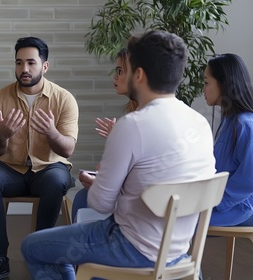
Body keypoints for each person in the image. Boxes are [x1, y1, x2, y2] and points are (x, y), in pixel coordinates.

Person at [21, 30, 216, 279]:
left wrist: (99, 184)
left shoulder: (133, 125)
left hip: (131, 247)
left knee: (33, 246)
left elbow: (100, 203)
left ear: (139, 74)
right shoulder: (199, 122)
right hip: (179, 248)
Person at [0, 36, 79, 280]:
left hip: (50, 168)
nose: (24, 69)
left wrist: (52, 133)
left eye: (31, 63)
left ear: (44, 66)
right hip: (11, 169)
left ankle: (40, 254)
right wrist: (2, 135)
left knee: (55, 180)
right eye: (19, 63)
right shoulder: (0, 98)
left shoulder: (64, 99)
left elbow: (68, 150)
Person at [72, 48, 138, 222]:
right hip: (142, 201)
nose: (114, 77)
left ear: (138, 74)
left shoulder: (137, 123)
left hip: (139, 210)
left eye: (119, 71)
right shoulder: (134, 115)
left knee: (83, 197)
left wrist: (99, 183)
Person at [203, 53, 253, 227]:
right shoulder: (228, 120)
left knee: (175, 223)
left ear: (224, 84)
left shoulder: (245, 124)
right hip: (221, 202)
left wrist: (216, 202)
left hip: (240, 208)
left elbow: (249, 179)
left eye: (206, 83)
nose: (203, 89)